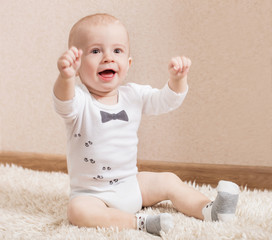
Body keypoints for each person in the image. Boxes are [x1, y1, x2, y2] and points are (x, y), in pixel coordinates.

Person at [53, 13, 239, 236]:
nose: (108, 58)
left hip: (131, 185)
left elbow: (165, 101)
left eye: (117, 51)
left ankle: (210, 210)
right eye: (95, 51)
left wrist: (177, 81)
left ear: (128, 63)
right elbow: (63, 102)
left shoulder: (134, 94)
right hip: (93, 194)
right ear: (78, 66)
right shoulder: (80, 102)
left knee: (168, 180)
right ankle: (139, 223)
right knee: (77, 211)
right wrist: (65, 79)